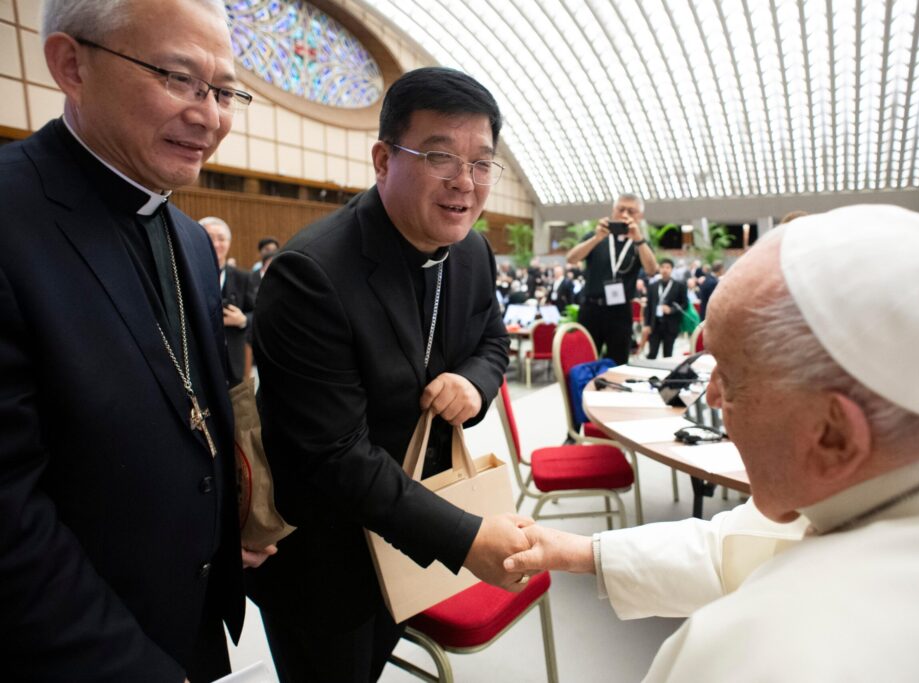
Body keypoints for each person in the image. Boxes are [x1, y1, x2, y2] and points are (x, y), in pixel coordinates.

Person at [504, 204, 919, 681]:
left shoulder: (758, 655)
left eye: (728, 376)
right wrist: (579, 551)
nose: (707, 394)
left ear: (832, 432)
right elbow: (739, 543)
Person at [0, 0, 275, 679]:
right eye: (177, 78)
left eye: (222, 90)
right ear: (72, 65)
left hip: (190, 616)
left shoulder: (185, 235)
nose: (209, 115)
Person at [248, 67, 531, 682]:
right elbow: (333, 457)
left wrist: (473, 383)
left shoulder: (472, 250)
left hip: (411, 528)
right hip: (329, 559)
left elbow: (491, 341)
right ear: (382, 159)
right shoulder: (312, 273)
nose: (466, 183)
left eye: (483, 163)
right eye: (440, 156)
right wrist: (466, 538)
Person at [567, 193, 657, 364]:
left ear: (640, 216)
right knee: (585, 358)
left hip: (620, 311)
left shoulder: (641, 243)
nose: (625, 214)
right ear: (612, 210)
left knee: (619, 360)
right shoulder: (596, 236)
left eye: (631, 211)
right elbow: (571, 259)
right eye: (620, 209)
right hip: (591, 308)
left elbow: (652, 270)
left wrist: (638, 239)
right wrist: (596, 238)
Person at [201, 216, 256, 387]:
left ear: (229, 243)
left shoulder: (243, 277)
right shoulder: (186, 275)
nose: (216, 244)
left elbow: (258, 313)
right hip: (200, 358)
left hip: (233, 362)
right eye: (209, 237)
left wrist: (243, 320)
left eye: (221, 238)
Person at [644, 258, 688, 358]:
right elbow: (649, 306)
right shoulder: (652, 286)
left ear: (672, 269)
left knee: (668, 355)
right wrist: (646, 324)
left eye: (668, 267)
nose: (665, 270)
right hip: (655, 325)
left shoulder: (679, 286)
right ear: (659, 269)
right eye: (663, 267)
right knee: (652, 353)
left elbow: (684, 305)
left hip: (670, 325)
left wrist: (671, 309)